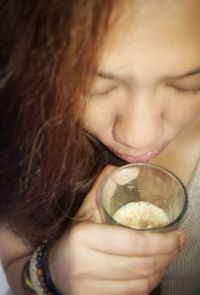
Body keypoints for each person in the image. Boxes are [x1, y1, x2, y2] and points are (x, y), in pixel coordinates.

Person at [0, 0, 200, 294]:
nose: (138, 138)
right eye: (94, 87)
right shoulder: (25, 136)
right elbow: (15, 265)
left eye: (190, 85)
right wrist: (51, 273)